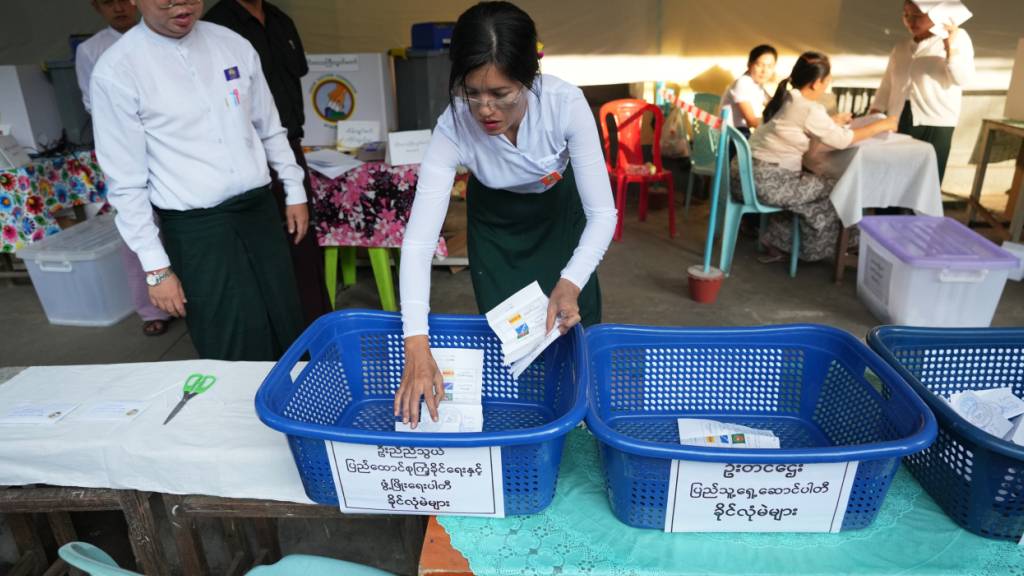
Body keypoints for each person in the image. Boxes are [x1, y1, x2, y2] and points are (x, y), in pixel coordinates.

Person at [393, 1, 617, 427]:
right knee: (511, 334)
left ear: (530, 77)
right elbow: (420, 243)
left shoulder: (564, 104)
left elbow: (603, 214)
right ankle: (531, 419)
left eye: (500, 94)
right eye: (471, 93)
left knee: (573, 319)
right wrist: (416, 344)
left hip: (558, 218)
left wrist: (569, 281)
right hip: (496, 225)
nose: (484, 110)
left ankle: (578, 417)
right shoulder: (452, 127)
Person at [90, 0, 307, 361]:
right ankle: (235, 413)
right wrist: (156, 269)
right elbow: (127, 184)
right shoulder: (117, 70)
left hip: (258, 211)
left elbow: (268, 126)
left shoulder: (232, 44)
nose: (182, 5)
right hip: (197, 228)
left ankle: (297, 407)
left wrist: (293, 188)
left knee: (285, 317)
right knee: (228, 333)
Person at [203, 0, 331, 327]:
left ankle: (315, 328)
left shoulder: (281, 20)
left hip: (287, 145)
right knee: (265, 249)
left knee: (302, 242)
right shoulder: (215, 26)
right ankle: (278, 331)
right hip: (243, 155)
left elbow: (293, 79)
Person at [77, 0, 173, 337]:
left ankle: (186, 297)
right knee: (136, 229)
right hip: (126, 145)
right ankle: (150, 310)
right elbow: (93, 102)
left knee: (179, 225)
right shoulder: (91, 50)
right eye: (107, 2)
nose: (118, 8)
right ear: (96, 7)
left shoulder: (165, 34)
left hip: (171, 147)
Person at [743, 52, 897, 263]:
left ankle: (781, 241)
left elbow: (801, 124)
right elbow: (842, 140)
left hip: (747, 176)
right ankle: (843, 244)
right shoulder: (807, 108)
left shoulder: (786, 97)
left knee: (813, 194)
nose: (826, 86)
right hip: (769, 182)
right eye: (827, 81)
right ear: (817, 83)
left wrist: (832, 121)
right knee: (839, 188)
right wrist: (881, 125)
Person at [870, 0, 975, 182]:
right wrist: (876, 110)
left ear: (936, 13)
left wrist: (951, 49)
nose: (911, 21)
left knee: (925, 181)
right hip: (899, 119)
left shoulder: (958, 38)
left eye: (918, 15)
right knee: (895, 177)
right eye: (906, 15)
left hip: (935, 122)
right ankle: (892, 211)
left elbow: (962, 79)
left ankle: (920, 212)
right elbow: (888, 82)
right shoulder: (901, 46)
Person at [720, 44, 778, 137]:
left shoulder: (757, 85)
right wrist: (779, 126)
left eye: (770, 66)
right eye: (760, 65)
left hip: (740, 133)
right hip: (732, 137)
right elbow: (752, 121)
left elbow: (773, 105)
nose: (764, 71)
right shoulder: (743, 83)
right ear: (749, 64)